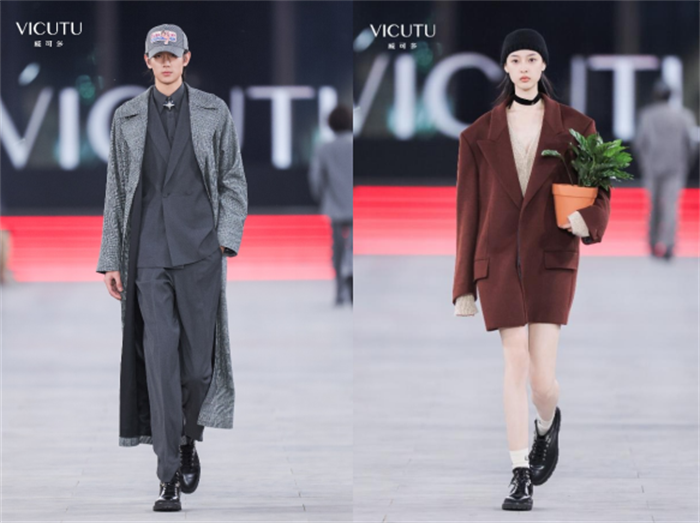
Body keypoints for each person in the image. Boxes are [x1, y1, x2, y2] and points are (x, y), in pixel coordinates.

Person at [452, 28, 611, 511]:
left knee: (542, 380)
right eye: (516, 59)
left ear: (543, 66)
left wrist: (586, 220)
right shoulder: (477, 135)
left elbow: (600, 191)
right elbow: (468, 213)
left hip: (551, 257)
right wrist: (463, 286)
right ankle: (519, 471)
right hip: (498, 261)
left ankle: (547, 424)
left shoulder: (578, 127)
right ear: (505, 67)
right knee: (515, 363)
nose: (523, 67)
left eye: (531, 59)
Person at [96, 23, 248, 512]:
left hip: (201, 252)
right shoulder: (126, 116)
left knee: (198, 370)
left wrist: (225, 240)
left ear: (186, 58)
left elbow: (233, 179)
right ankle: (166, 476)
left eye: (172, 55)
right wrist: (111, 259)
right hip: (147, 255)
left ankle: (186, 439)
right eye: (157, 56)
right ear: (147, 61)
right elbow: (116, 189)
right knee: (160, 362)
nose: (165, 63)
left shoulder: (213, 111)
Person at [633, 78, 698, 261]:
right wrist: (685, 162)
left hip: (653, 167)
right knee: (671, 206)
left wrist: (645, 162)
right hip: (676, 167)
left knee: (653, 205)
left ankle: (653, 243)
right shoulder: (683, 115)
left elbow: (640, 143)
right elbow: (691, 144)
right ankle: (669, 244)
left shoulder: (647, 115)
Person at [308, 105, 353, 305]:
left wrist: (321, 197)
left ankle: (339, 290)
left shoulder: (324, 148)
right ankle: (351, 273)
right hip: (355, 205)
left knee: (338, 249)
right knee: (353, 247)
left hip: (334, 204)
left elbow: (316, 178)